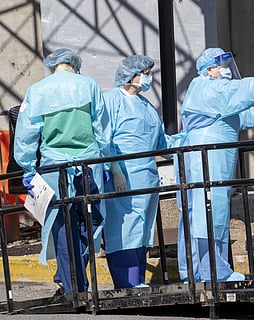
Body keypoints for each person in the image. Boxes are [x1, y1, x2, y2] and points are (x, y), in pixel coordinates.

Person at [174, 47, 254, 283]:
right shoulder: (206, 87)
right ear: (208, 68)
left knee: (215, 212)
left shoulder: (214, 94)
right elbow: (239, 93)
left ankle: (207, 271)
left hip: (217, 158)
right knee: (208, 214)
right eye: (221, 64)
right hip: (208, 157)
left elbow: (236, 114)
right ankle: (211, 272)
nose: (225, 70)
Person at [14, 48, 110, 294]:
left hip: (54, 168)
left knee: (63, 225)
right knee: (90, 222)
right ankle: (75, 278)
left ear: (52, 65)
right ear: (75, 65)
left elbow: (26, 132)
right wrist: (107, 162)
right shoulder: (88, 85)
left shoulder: (37, 91)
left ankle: (71, 284)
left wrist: (27, 166)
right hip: (89, 164)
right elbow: (102, 127)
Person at [102, 55, 168, 289]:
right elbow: (103, 139)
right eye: (146, 73)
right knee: (123, 228)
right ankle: (126, 282)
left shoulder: (147, 107)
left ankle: (137, 280)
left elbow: (162, 143)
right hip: (123, 178)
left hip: (146, 177)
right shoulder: (110, 100)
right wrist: (115, 169)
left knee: (142, 229)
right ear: (131, 75)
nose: (149, 77)